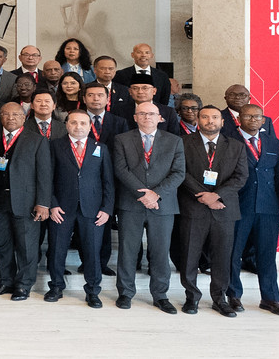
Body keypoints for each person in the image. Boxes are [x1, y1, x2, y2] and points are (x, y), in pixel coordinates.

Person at [113, 101, 185, 312]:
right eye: (142, 114)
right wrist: (142, 194)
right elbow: (121, 169)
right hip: (131, 203)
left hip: (162, 205)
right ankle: (125, 293)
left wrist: (156, 194)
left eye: (152, 114)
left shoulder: (174, 141)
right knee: (128, 250)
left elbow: (179, 172)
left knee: (160, 251)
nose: (147, 117)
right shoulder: (121, 140)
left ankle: (160, 295)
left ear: (160, 118)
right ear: (134, 117)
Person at [176, 105, 245, 316]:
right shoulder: (183, 142)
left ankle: (219, 298)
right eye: (205, 117)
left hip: (224, 209)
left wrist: (216, 195)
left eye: (215, 117)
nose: (210, 121)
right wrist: (204, 196)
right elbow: (181, 172)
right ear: (198, 120)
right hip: (193, 207)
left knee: (222, 257)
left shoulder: (236, 145)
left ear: (222, 121)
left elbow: (240, 177)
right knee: (189, 255)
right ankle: (192, 297)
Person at [46, 109, 114, 307]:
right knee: (57, 249)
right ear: (66, 124)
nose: (78, 127)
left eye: (83, 123)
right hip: (61, 208)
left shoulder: (100, 148)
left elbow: (108, 181)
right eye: (74, 123)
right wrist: (52, 204)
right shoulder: (54, 146)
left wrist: (107, 208)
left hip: (92, 210)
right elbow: (47, 178)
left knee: (93, 251)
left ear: (89, 126)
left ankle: (93, 291)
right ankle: (56, 286)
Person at [225, 105, 279, 315]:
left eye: (257, 116)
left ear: (263, 120)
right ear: (239, 119)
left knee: (267, 254)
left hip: (268, 207)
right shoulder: (228, 141)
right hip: (237, 205)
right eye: (248, 115)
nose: (253, 119)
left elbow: (278, 176)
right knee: (233, 253)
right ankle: (233, 295)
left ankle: (271, 298)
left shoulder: (272, 141)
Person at [0, 101, 51, 299]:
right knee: (2, 244)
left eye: (16, 115)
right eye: (6, 114)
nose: (11, 118)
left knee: (27, 246)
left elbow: (45, 174)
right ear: (1, 117)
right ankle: (6, 281)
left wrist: (43, 202)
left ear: (24, 117)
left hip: (27, 202)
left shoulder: (36, 140)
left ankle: (23, 285)